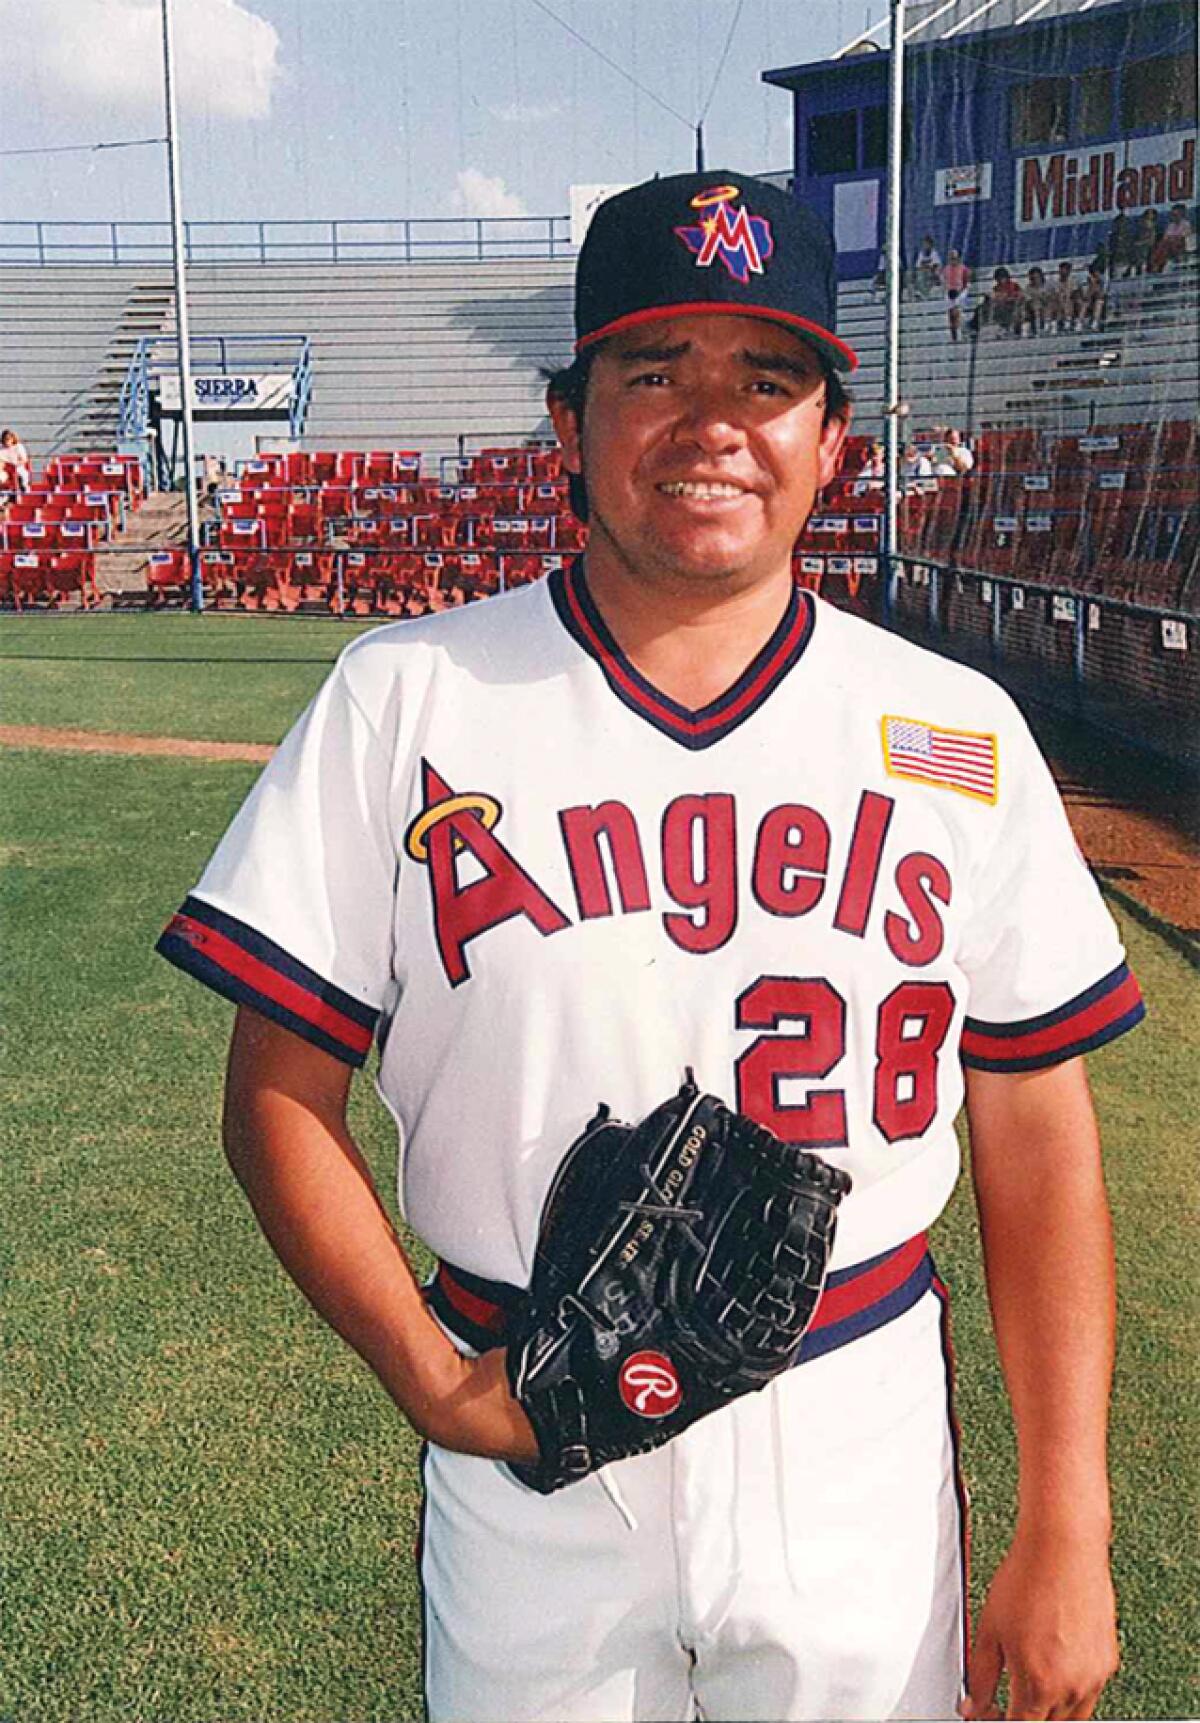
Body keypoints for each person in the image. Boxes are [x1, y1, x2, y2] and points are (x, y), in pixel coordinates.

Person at [158, 170, 1139, 1723]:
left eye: (766, 377)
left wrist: (1070, 1518)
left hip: (850, 1415)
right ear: (567, 422)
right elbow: (275, 1099)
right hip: (533, 1397)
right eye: (651, 371)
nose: (710, 422)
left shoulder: (957, 734)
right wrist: (433, 1376)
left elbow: (1037, 1132)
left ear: (834, 438)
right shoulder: (406, 695)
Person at [1149, 202, 1193, 272]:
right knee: (1162, 245)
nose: (1174, 217)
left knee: (1166, 244)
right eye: (1173, 215)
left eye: (1176, 215)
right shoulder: (1171, 226)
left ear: (1181, 214)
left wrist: (1172, 238)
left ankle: (1157, 265)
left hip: (1180, 246)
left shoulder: (1186, 224)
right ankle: (1156, 264)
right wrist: (1171, 238)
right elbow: (1165, 237)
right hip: (1170, 246)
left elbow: (1184, 236)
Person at [941, 247, 971, 341]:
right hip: (950, 294)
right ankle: (953, 336)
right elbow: (944, 282)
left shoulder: (964, 269)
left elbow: (966, 282)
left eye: (954, 258)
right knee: (951, 314)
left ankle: (961, 333)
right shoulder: (946, 270)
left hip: (960, 293)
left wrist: (961, 293)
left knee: (957, 312)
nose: (952, 260)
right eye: (950, 258)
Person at [0, 428, 31, 493]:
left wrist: (16, 464)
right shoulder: (1, 447)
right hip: (4, 469)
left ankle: (23, 486)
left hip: (16, 467)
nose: (6, 441)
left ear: (12, 439)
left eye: (8, 439)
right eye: (4, 439)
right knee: (1, 476)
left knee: (22, 474)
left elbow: (24, 460)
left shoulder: (18, 447)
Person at [1022, 264, 1050, 335]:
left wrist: (1041, 297)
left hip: (1046, 305)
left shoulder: (1047, 286)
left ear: (1041, 277)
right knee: (1034, 306)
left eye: (1037, 277)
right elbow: (1028, 300)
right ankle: (1037, 328)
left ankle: (1047, 326)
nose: (1035, 280)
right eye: (1033, 278)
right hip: (1033, 307)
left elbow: (1049, 298)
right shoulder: (1028, 288)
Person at [914, 234, 942, 299]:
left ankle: (926, 294)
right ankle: (921, 293)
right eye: (924, 244)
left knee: (932, 273)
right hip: (924, 272)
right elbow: (918, 266)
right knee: (919, 275)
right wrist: (924, 268)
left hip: (932, 272)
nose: (926, 246)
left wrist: (928, 267)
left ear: (931, 245)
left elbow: (935, 265)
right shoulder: (921, 254)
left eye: (927, 244)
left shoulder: (934, 253)